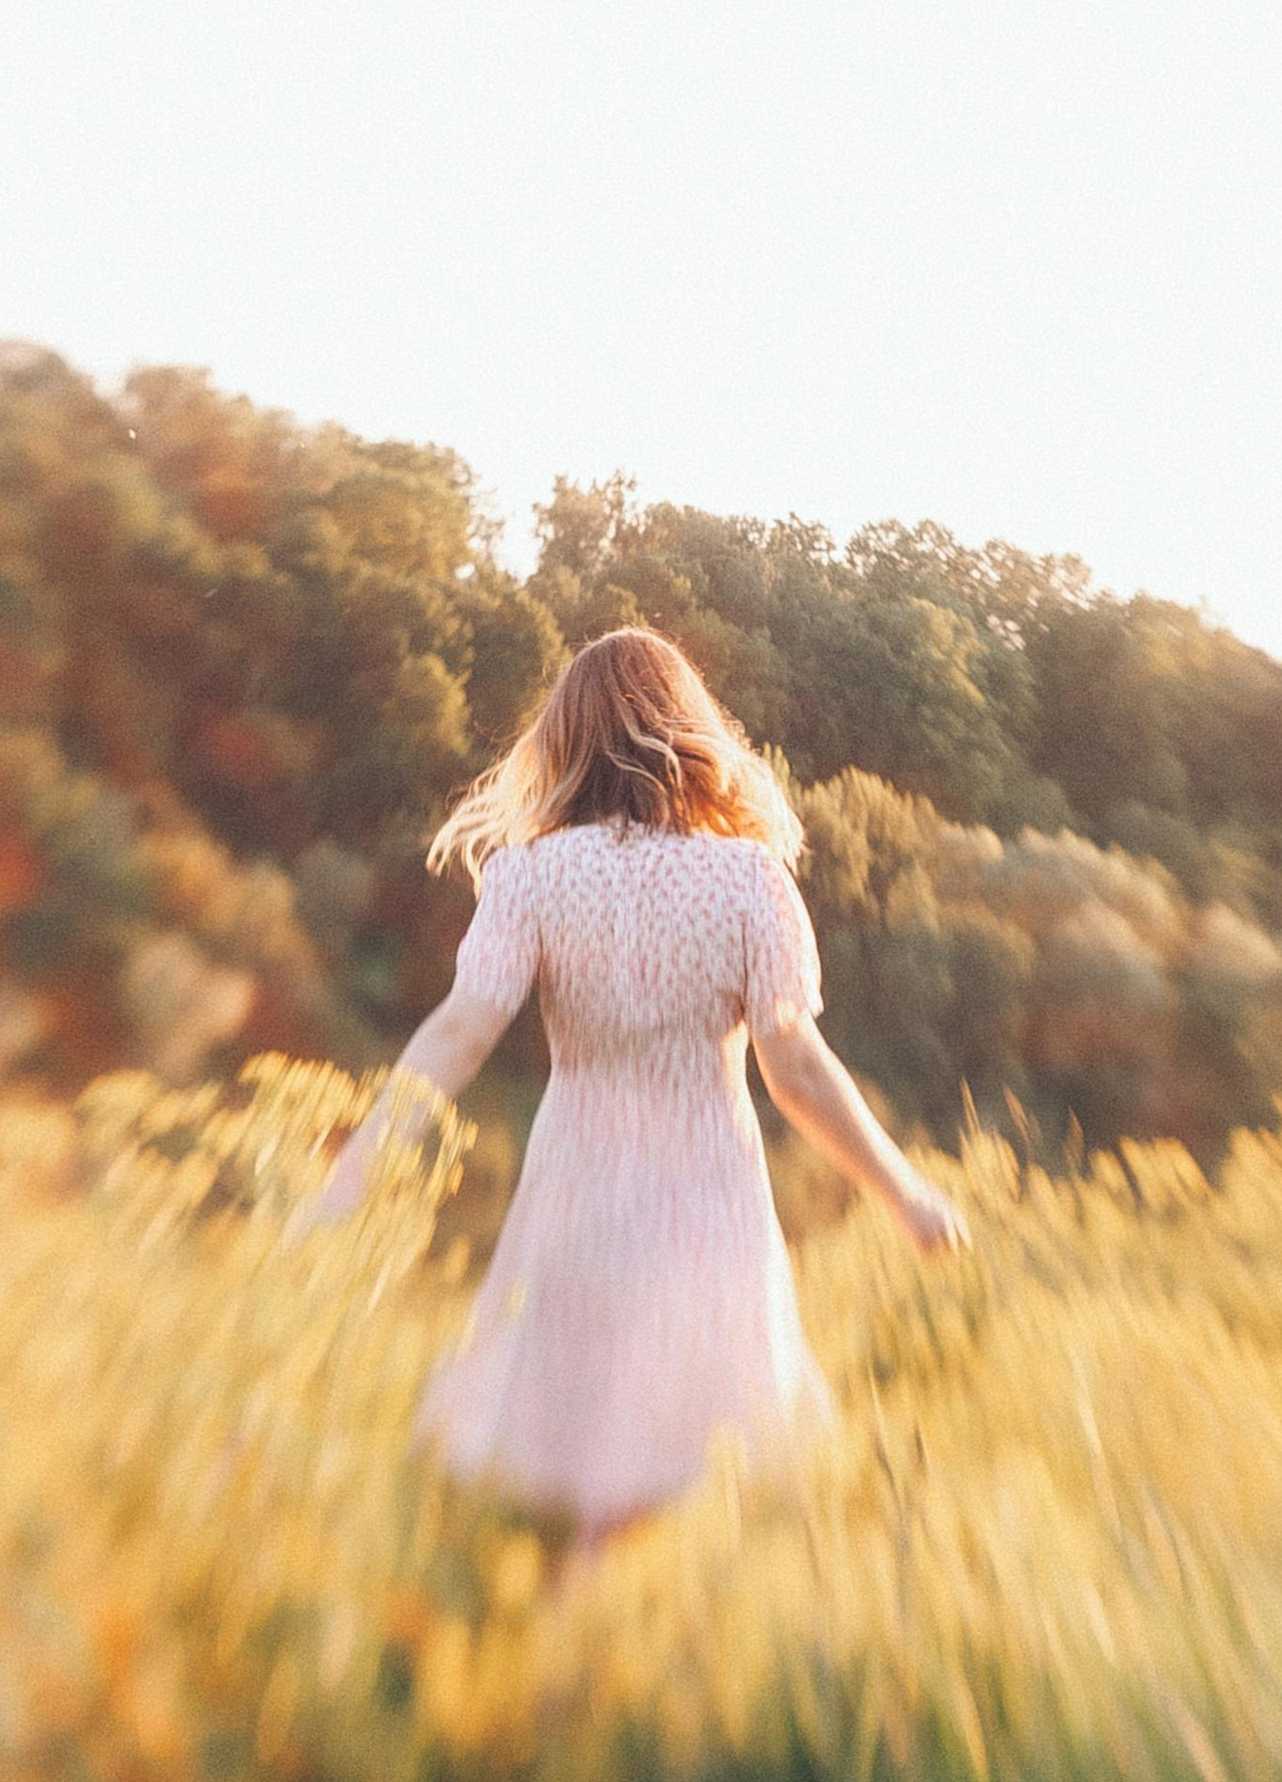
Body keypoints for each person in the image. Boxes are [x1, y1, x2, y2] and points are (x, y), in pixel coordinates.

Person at [317, 627, 964, 1541]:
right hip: (706, 1204)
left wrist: (355, 1172)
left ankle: (569, 1613)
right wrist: (906, 1194)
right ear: (691, 728)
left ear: (563, 740)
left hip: (575, 1196)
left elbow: (460, 1031)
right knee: (693, 1477)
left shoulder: (528, 875)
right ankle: (626, 1619)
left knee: (576, 1473)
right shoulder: (751, 880)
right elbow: (797, 1070)